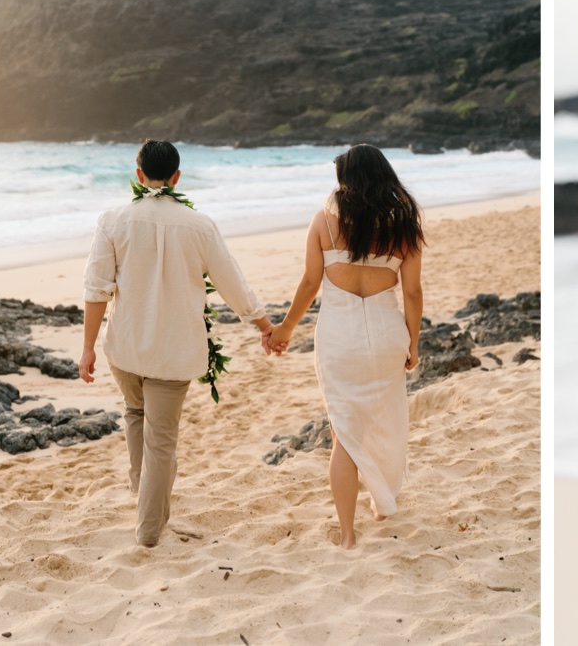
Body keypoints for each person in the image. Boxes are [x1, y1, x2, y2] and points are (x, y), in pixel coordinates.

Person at [81, 139, 273, 547]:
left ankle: (141, 494)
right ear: (177, 177)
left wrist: (87, 348)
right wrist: (263, 324)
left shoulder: (112, 220)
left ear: (139, 176)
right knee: (161, 437)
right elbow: (232, 283)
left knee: (136, 413)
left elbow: (96, 288)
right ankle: (149, 531)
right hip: (174, 350)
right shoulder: (199, 225)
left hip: (126, 347)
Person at [268, 144, 425, 549]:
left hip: (340, 339)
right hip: (388, 332)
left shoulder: (324, 221)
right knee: (383, 419)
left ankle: (348, 533)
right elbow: (413, 293)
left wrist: (285, 329)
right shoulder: (403, 224)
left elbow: (308, 283)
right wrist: (414, 342)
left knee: (345, 434)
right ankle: (380, 501)